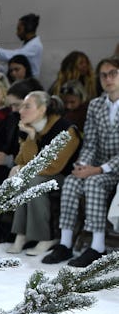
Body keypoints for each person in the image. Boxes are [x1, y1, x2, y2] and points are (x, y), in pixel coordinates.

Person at [43, 56, 119, 267]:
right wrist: (82, 165)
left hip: (114, 168)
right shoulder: (95, 105)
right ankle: (65, 243)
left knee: (93, 182)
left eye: (113, 73)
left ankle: (97, 246)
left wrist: (96, 170)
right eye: (103, 74)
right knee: (72, 180)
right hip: (96, 165)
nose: (108, 78)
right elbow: (90, 142)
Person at [5, 89, 80, 257]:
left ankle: (46, 237)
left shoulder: (66, 129)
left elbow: (54, 167)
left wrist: (23, 170)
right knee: (26, 178)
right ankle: (21, 234)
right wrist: (31, 137)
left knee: (34, 180)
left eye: (27, 107)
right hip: (40, 174)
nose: (20, 110)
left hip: (66, 177)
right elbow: (21, 160)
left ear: (42, 110)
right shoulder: (28, 128)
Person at [0, 13, 43, 79]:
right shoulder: (29, 45)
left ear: (28, 28)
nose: (17, 33)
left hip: (29, 84)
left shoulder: (35, 46)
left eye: (19, 29)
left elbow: (11, 56)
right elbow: (14, 66)